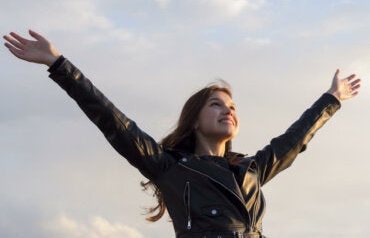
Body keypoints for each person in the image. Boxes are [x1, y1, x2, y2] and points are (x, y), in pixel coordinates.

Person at [3, 30, 361, 238]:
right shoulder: (170, 168)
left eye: (232, 106)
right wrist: (59, 65)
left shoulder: (252, 170)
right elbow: (113, 121)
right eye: (216, 105)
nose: (228, 110)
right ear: (194, 120)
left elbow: (294, 140)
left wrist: (332, 98)